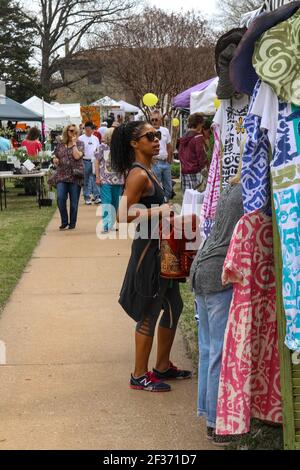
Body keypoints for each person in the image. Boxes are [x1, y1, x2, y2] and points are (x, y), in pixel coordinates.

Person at [110, 121, 191, 393]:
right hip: (148, 251)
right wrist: (159, 212)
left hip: (162, 249)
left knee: (174, 305)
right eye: (149, 136)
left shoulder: (150, 170)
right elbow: (121, 216)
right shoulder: (138, 175)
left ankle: (163, 365)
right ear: (135, 143)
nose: (156, 140)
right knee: (149, 310)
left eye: (157, 135)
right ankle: (139, 375)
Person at [189, 170, 244, 446]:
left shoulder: (231, 188)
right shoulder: (251, 192)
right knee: (218, 353)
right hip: (217, 274)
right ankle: (214, 422)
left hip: (203, 267)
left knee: (209, 351)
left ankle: (208, 415)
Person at [51, 124, 84, 230]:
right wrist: (55, 160)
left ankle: (72, 223)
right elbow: (56, 156)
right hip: (61, 175)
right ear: (66, 131)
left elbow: (77, 156)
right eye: (71, 131)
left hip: (75, 176)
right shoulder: (60, 144)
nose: (73, 133)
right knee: (60, 198)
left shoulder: (80, 144)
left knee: (74, 203)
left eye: (75, 131)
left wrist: (74, 144)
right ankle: (64, 221)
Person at [95, 127, 124, 233]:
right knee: (107, 202)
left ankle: (112, 224)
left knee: (116, 203)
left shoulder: (121, 148)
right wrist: (97, 177)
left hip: (119, 179)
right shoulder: (102, 147)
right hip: (105, 180)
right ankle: (106, 226)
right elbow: (97, 162)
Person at [178, 113, 208, 192]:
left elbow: (180, 154)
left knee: (187, 197)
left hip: (185, 170)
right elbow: (201, 155)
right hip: (196, 171)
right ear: (198, 124)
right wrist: (204, 168)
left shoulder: (183, 137)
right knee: (198, 197)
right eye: (201, 124)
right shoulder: (198, 137)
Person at [150, 111, 173, 201]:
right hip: (155, 162)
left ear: (160, 120)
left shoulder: (165, 130)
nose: (154, 122)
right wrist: (151, 159)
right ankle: (159, 204)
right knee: (156, 186)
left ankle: (165, 201)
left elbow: (169, 146)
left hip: (165, 162)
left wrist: (169, 159)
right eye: (152, 120)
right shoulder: (149, 131)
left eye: (156, 119)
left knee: (169, 187)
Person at [79, 121, 101, 205]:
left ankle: (97, 196)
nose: (87, 131)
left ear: (92, 130)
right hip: (85, 160)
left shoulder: (95, 138)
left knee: (95, 179)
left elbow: (98, 149)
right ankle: (87, 197)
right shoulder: (81, 138)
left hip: (94, 161)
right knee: (86, 180)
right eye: (86, 130)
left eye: (89, 130)